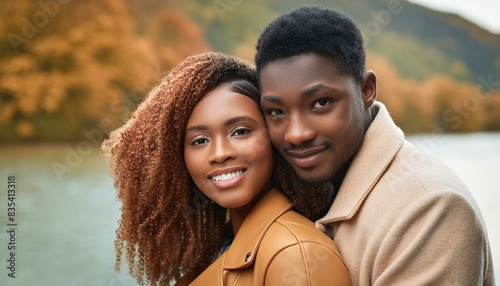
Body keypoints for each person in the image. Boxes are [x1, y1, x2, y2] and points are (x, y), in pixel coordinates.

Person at [254, 6, 495, 286]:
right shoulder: (294, 184)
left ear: (366, 90)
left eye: (321, 103)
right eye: (276, 112)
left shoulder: (429, 210)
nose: (296, 134)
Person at [102, 52, 350, 285]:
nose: (220, 154)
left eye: (240, 131)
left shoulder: (298, 254)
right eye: (199, 140)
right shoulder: (222, 246)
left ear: (274, 137)